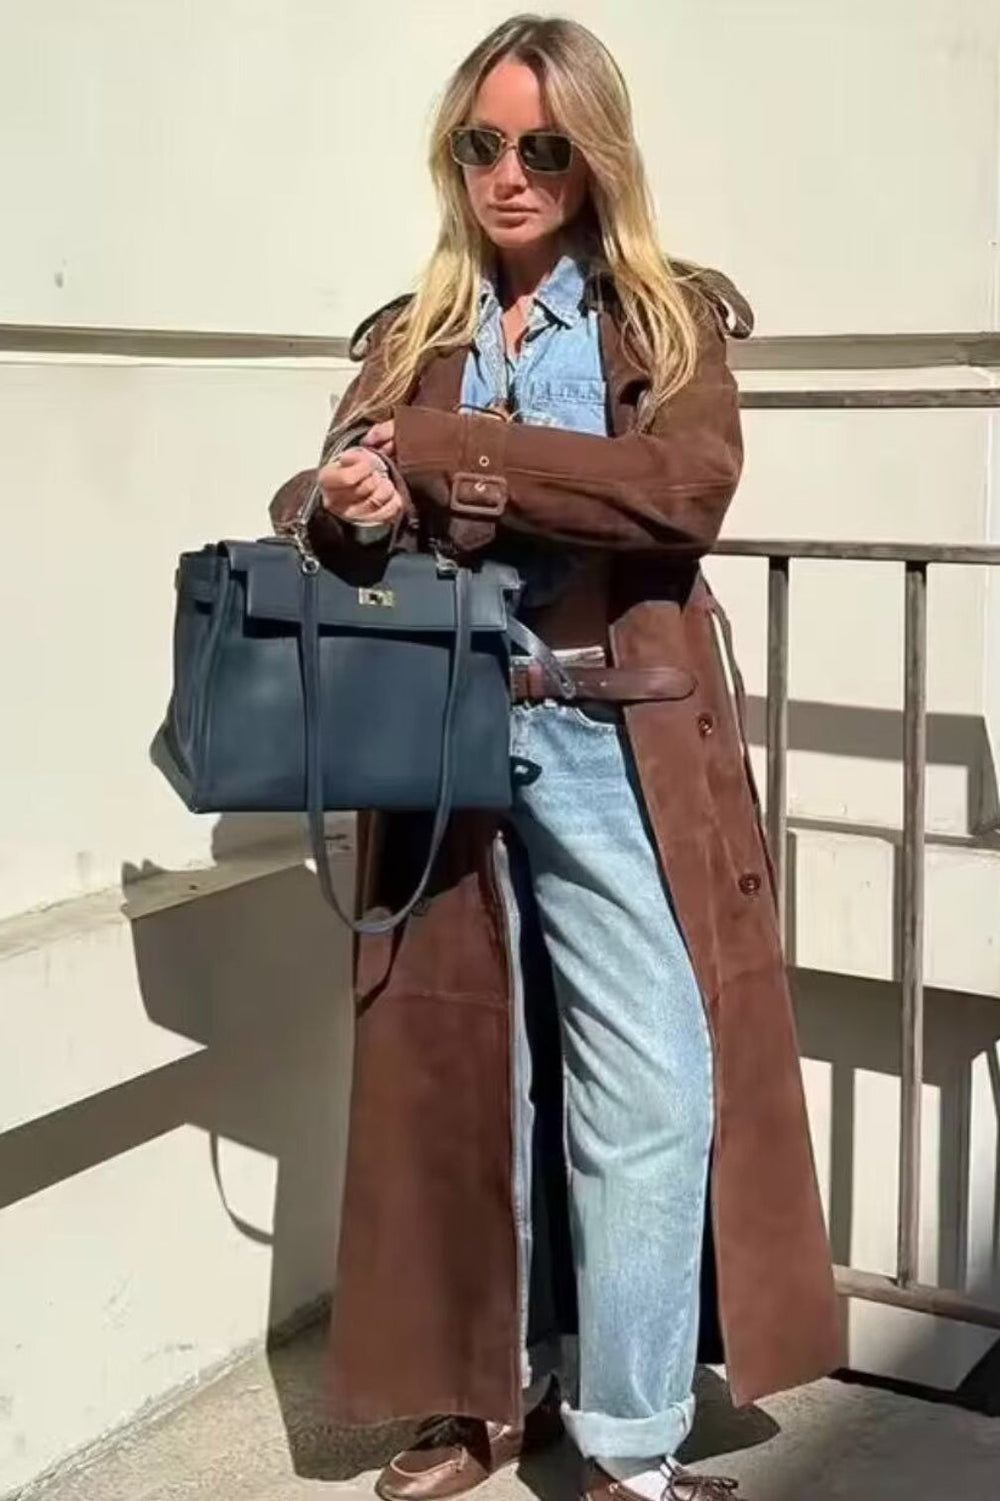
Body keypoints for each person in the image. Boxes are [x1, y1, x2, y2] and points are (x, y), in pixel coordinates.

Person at [270, 14, 840, 1501]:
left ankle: (630, 1446)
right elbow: (310, 508)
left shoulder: (664, 319)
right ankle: (487, 1396)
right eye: (483, 144)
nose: (509, 175)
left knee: (650, 1082)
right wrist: (347, 503)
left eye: (543, 147)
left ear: (594, 159)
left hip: (610, 738)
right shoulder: (416, 333)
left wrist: (454, 459)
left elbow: (676, 492)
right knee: (469, 1077)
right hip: (446, 740)